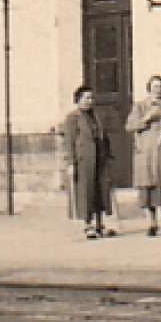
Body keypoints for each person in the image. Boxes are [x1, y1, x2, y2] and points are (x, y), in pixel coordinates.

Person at [125, 75, 161, 237]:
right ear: (149, 88)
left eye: (160, 86)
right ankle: (152, 223)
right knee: (149, 185)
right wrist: (146, 118)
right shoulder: (140, 106)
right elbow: (129, 126)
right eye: (155, 86)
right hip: (147, 151)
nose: (158, 89)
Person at [62, 85, 116, 239]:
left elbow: (104, 137)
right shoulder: (73, 118)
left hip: (100, 158)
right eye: (86, 98)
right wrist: (71, 162)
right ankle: (88, 225)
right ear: (78, 100)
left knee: (101, 190)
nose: (90, 101)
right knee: (86, 192)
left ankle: (100, 224)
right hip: (84, 160)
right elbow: (69, 141)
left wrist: (109, 155)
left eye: (91, 98)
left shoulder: (97, 116)